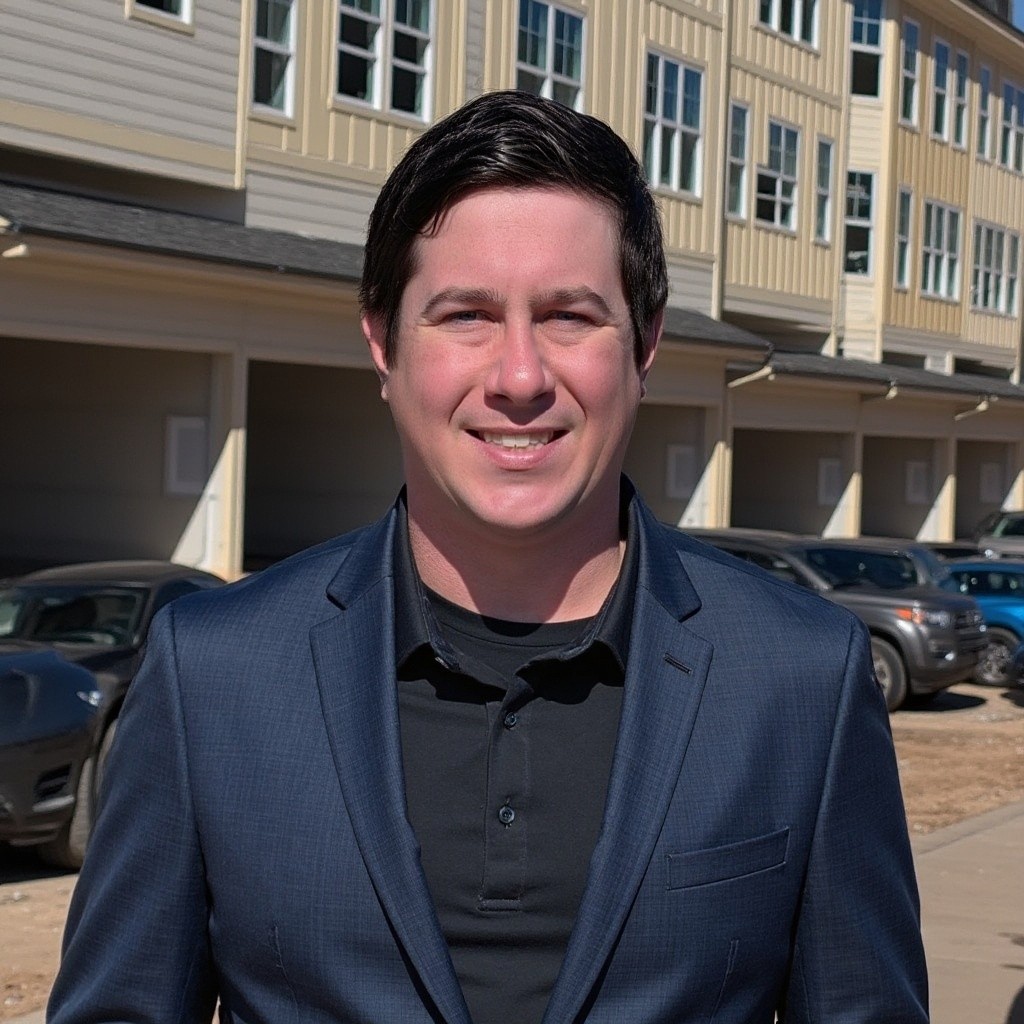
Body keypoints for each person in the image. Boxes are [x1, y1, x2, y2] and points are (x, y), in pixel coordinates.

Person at [49, 91, 928, 1024]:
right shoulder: (212, 672)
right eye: (466, 313)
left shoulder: (803, 678)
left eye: (569, 316)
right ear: (383, 344)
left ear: (645, 345)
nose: (519, 377)